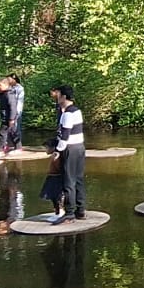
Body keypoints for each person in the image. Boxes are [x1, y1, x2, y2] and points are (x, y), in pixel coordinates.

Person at [48, 84, 86, 223]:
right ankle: (80, 210)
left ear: (64, 96)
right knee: (79, 179)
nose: (56, 98)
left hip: (70, 149)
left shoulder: (68, 113)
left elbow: (65, 135)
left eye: (58, 95)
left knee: (68, 181)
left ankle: (69, 212)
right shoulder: (77, 111)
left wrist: (57, 151)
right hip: (80, 147)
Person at [0, 76, 19, 156]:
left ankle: (0, 150)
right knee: (12, 133)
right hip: (5, 118)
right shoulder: (3, 93)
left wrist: (12, 119)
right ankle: (17, 147)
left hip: (9, 118)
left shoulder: (10, 95)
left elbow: (13, 107)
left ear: (6, 85)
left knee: (2, 133)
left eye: (0, 85)